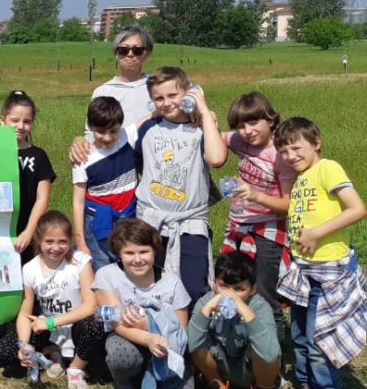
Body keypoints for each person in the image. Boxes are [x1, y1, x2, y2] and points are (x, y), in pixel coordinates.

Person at [275, 117, 367, 389]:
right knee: (300, 333)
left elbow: (357, 208)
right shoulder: (301, 177)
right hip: (305, 269)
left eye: (296, 147)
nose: (290, 155)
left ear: (317, 143)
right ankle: (306, 387)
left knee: (318, 336)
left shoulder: (328, 168)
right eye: (284, 150)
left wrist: (316, 233)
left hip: (329, 271)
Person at [135, 66, 227, 308]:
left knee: (194, 286)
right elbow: (118, 138)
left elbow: (217, 159)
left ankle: (193, 342)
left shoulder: (201, 127)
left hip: (190, 223)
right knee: (153, 286)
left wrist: (205, 111)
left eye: (172, 95)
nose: (166, 103)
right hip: (151, 222)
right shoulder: (148, 128)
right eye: (159, 98)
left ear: (188, 93)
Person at [93, 219, 195, 389]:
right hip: (129, 341)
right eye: (129, 253)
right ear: (119, 254)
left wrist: (149, 325)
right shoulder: (107, 275)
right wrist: (149, 338)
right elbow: (119, 325)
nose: (137, 259)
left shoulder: (172, 283)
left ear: (155, 251)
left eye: (144, 251)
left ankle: (161, 379)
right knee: (119, 352)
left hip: (168, 348)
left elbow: (181, 328)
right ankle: (126, 387)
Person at [0, 211, 104, 389]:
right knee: (4, 352)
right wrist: (24, 345)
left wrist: (52, 322)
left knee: (95, 325)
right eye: (49, 242)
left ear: (69, 240)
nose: (56, 247)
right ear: (38, 240)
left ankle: (76, 368)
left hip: (75, 325)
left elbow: (91, 305)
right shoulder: (30, 269)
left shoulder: (81, 262)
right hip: (48, 329)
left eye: (62, 241)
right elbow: (25, 311)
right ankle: (53, 351)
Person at [219, 92, 295, 342]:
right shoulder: (240, 142)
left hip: (269, 229)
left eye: (254, 123)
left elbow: (288, 205)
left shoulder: (280, 154)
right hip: (238, 227)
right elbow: (212, 137)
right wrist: (206, 117)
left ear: (271, 120)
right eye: (241, 125)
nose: (247, 131)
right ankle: (239, 342)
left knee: (264, 292)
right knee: (233, 285)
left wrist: (255, 196)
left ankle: (272, 357)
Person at [189, 252, 281, 389]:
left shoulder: (260, 307)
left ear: (252, 289)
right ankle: (216, 385)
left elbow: (270, 352)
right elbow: (192, 343)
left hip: (252, 368)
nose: (230, 295)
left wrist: (245, 311)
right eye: (224, 286)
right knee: (198, 342)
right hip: (220, 364)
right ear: (214, 283)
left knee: (265, 347)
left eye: (239, 289)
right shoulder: (206, 303)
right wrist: (207, 310)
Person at [71, 97, 138, 271]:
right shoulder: (83, 158)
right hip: (98, 222)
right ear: (90, 126)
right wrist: (80, 242)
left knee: (130, 264)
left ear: (121, 126)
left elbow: (155, 115)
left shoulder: (126, 136)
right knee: (103, 267)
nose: (107, 138)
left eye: (113, 131)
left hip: (129, 217)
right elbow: (78, 202)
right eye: (101, 131)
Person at [1, 90, 55, 266]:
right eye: (14, 120)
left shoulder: (38, 156)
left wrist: (28, 232)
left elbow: (42, 198)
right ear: (3, 120)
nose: (20, 126)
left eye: (26, 122)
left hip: (29, 231)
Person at [89, 26, 155, 128]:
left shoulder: (158, 87)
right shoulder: (103, 92)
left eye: (137, 50)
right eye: (123, 50)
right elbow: (92, 131)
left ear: (147, 54)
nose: (130, 54)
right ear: (115, 53)